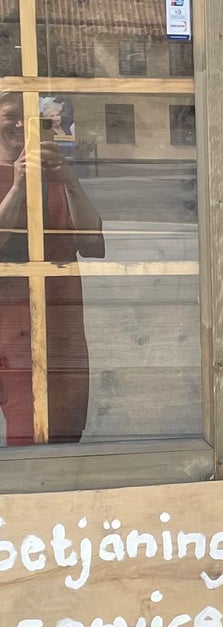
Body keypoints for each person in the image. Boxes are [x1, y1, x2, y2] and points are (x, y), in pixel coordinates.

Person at [0, 90, 105, 445]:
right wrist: (18, 186)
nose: (21, 124)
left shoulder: (55, 175)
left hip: (57, 329)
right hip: (10, 330)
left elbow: (93, 244)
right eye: (11, 115)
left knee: (56, 438)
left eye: (30, 117)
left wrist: (68, 180)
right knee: (27, 438)